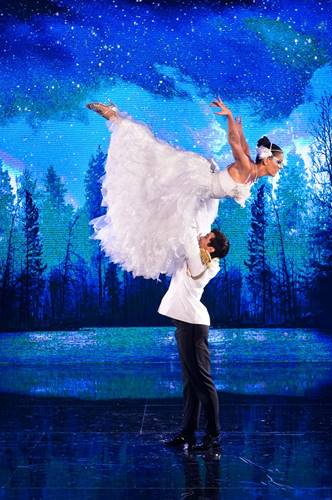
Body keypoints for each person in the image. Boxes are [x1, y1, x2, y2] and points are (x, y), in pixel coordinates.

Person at [85, 98, 284, 280]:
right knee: (153, 159)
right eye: (278, 162)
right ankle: (115, 117)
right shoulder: (247, 168)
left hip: (203, 194)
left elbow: (243, 143)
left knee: (167, 214)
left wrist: (237, 126)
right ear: (267, 160)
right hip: (197, 182)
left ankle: (116, 117)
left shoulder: (252, 173)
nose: (280, 167)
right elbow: (234, 141)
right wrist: (230, 117)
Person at [158, 224, 229, 453]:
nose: (203, 236)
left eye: (207, 236)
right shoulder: (200, 259)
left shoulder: (200, 261)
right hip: (188, 323)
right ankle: (187, 433)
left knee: (202, 381)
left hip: (192, 325)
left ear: (211, 248)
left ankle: (213, 437)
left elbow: (188, 234)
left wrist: (188, 213)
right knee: (191, 383)